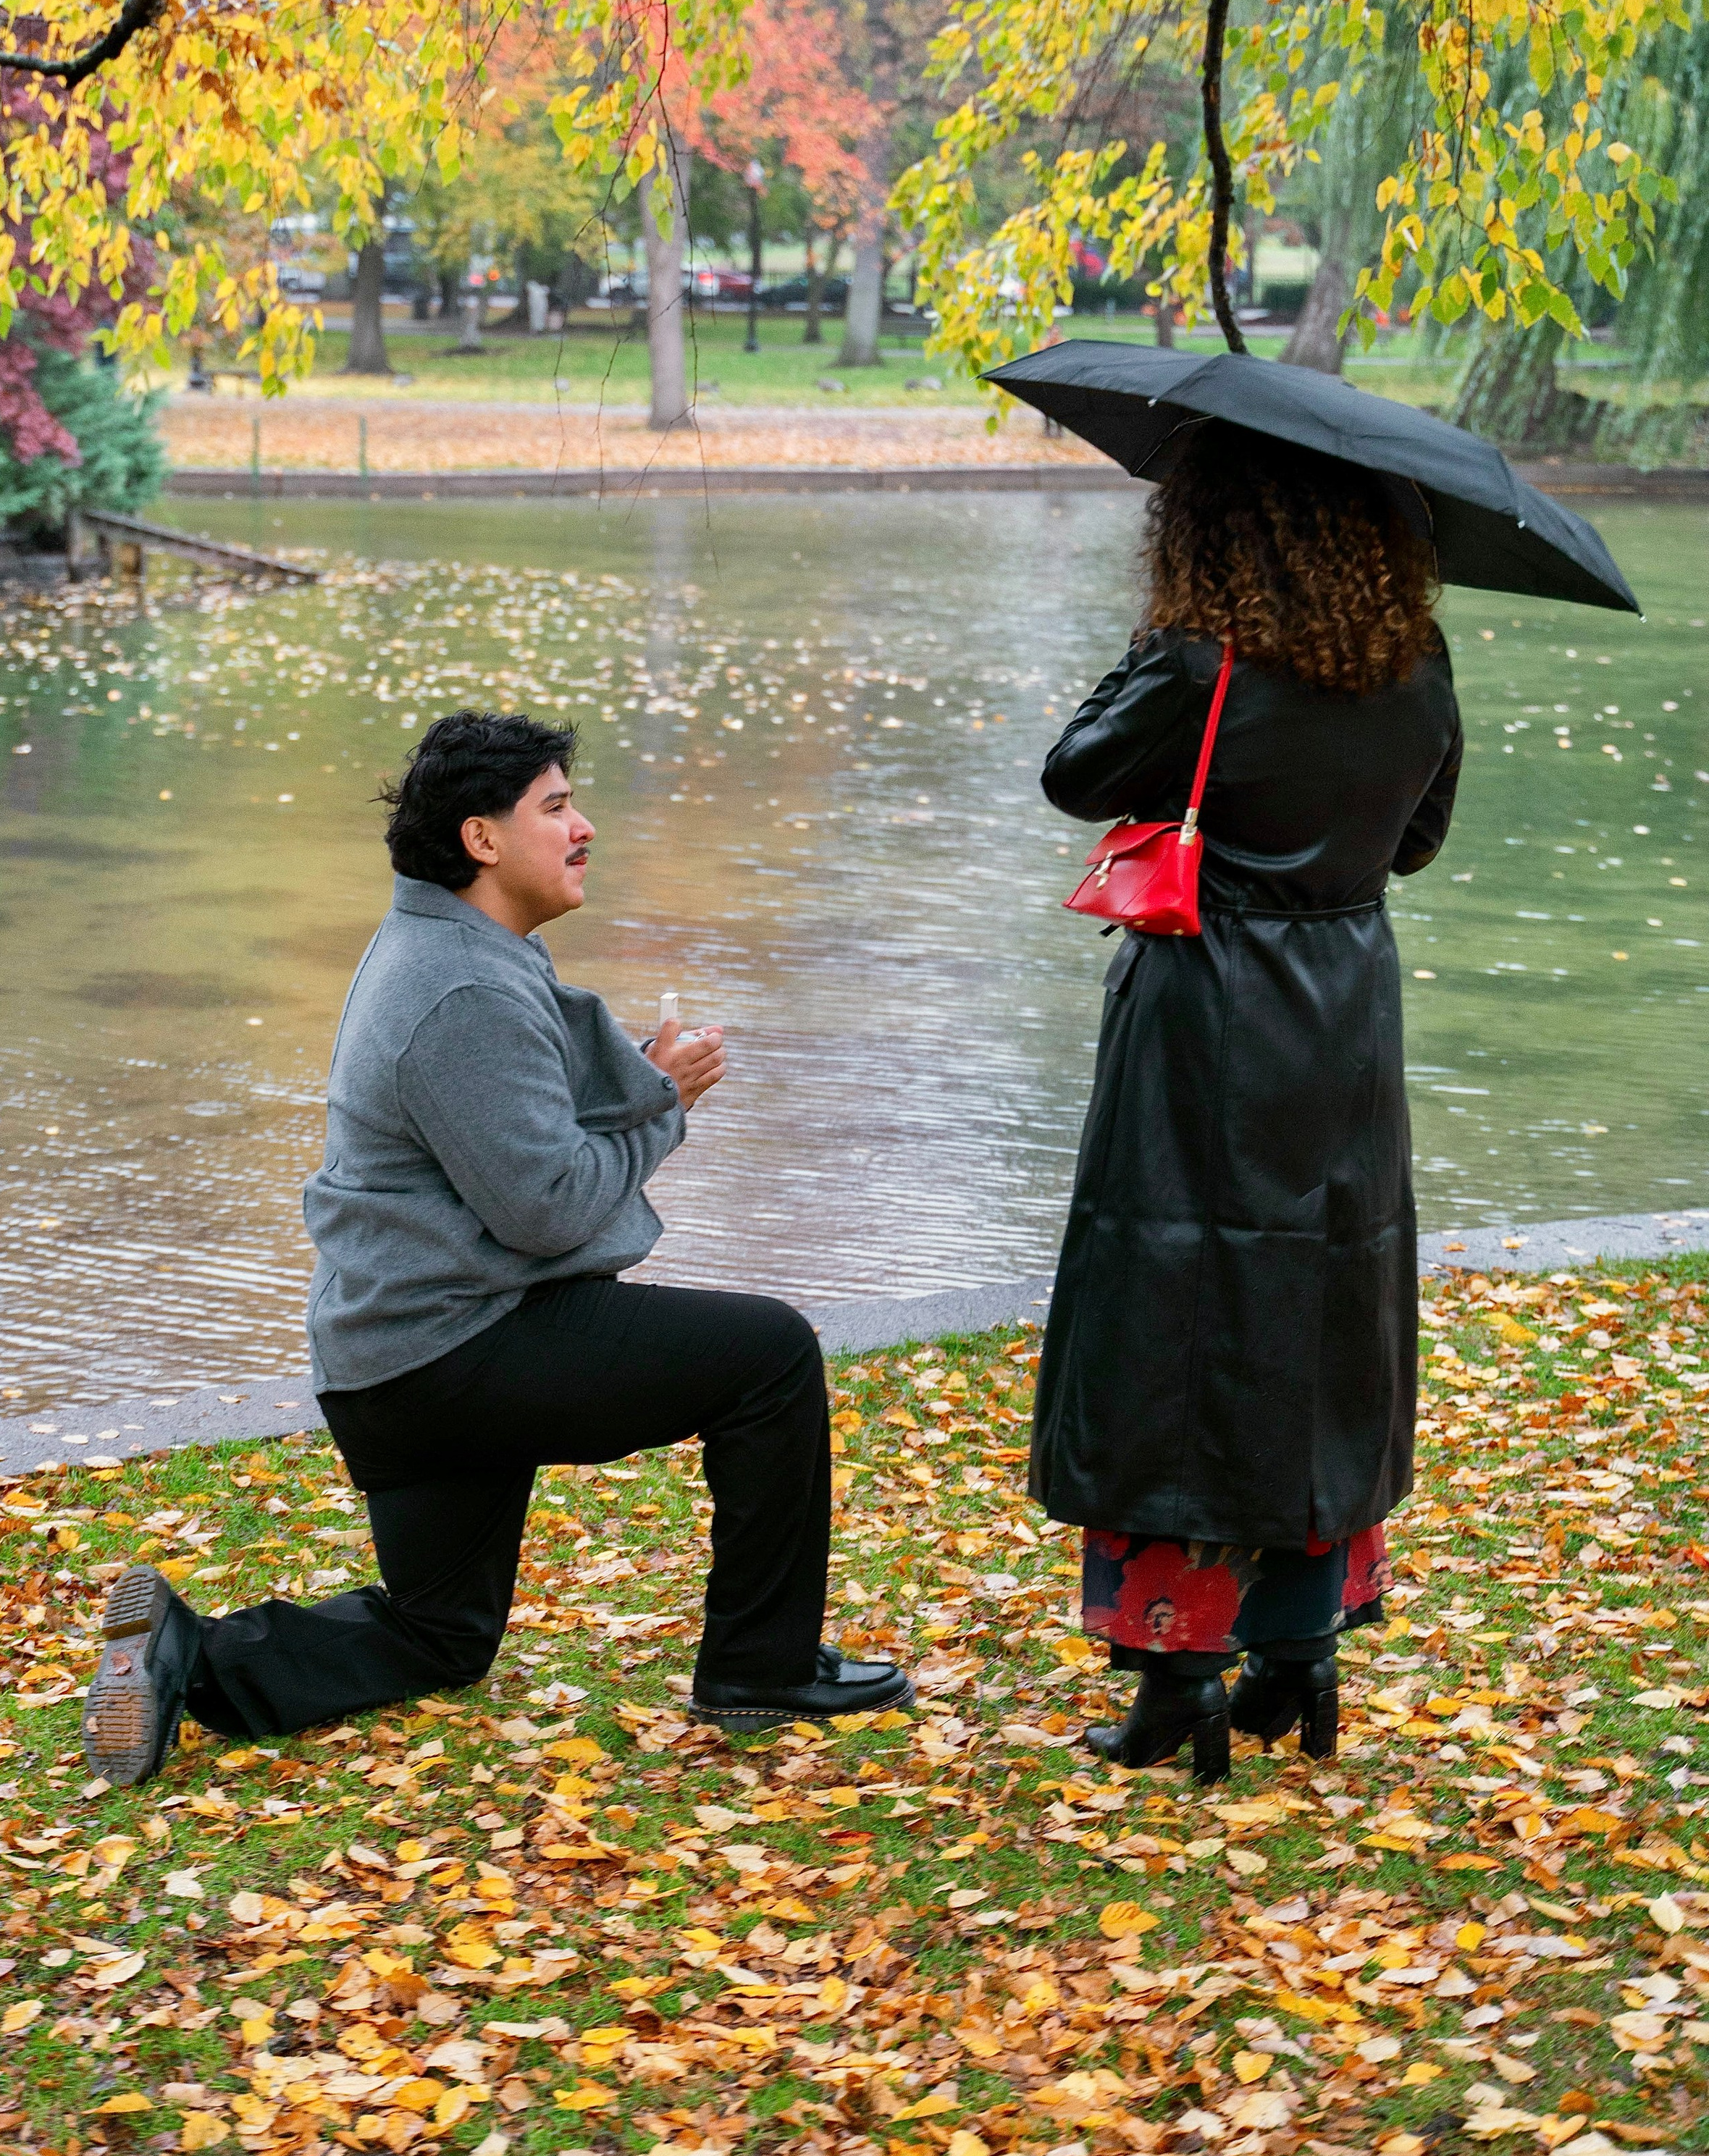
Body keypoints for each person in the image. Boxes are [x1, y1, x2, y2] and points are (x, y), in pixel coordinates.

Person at [83, 710, 910, 1784]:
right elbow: (553, 1210)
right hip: (456, 1352)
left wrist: (644, 1081)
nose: (585, 826)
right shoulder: (461, 985)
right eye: (556, 806)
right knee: (772, 1355)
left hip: (394, 1359)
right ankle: (763, 1665)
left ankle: (188, 1659)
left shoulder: (451, 942)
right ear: (482, 838)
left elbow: (536, 1119)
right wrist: (662, 1102)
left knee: (441, 1632)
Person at [1029, 428, 1462, 1785]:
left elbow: (1071, 773)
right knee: (1321, 1314)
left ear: (1212, 532)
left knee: (1175, 1312)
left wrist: (1160, 646)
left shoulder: (1197, 661)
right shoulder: (1418, 662)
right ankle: (1298, 1656)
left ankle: (1176, 1682)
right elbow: (1418, 840)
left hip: (1207, 1012)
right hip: (1344, 1015)